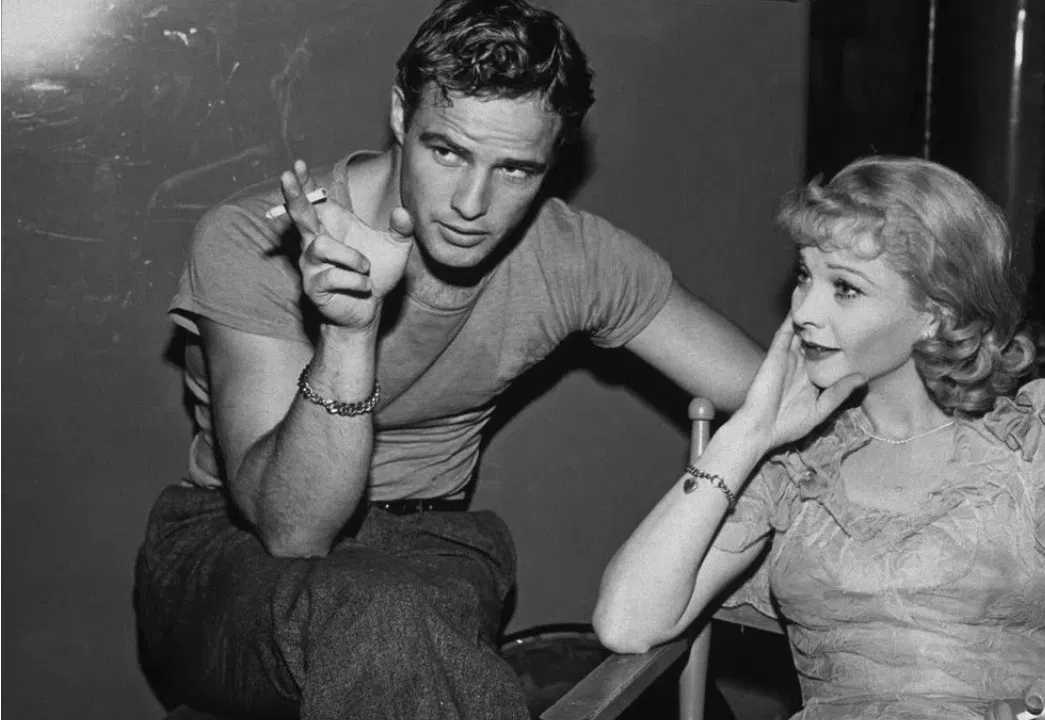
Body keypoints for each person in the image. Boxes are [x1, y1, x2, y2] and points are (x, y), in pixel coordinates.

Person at [133, 1, 763, 718]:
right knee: (383, 614)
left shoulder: (573, 257)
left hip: (429, 546)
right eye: (448, 152)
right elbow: (293, 530)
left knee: (400, 610)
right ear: (401, 115)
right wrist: (348, 334)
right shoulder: (257, 239)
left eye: (515, 170)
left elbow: (773, 391)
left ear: (554, 159)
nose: (472, 203)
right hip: (229, 555)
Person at [593, 156, 1045, 720]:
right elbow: (627, 623)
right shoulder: (795, 464)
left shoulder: (1036, 452)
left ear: (936, 312)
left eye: (845, 288)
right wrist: (749, 433)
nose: (804, 312)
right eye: (805, 277)